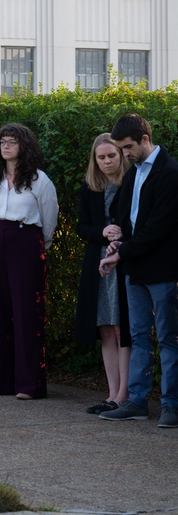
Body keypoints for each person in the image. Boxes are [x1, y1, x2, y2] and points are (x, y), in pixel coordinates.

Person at [98, 114, 178, 428]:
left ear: (145, 139)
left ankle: (171, 406)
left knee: (170, 338)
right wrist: (117, 242)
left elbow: (158, 228)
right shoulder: (132, 176)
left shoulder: (171, 174)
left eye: (128, 147)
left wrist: (123, 253)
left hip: (163, 270)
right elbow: (127, 220)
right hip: (135, 270)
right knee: (140, 337)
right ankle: (137, 402)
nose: (125, 154)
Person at [0, 123, 58, 400]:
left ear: (24, 146)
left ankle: (29, 384)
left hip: (26, 241)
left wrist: (36, 246)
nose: (6, 146)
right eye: (2, 141)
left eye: (12, 141)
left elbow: (49, 220)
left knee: (27, 311)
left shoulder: (39, 180)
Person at [74, 133, 131, 414]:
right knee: (106, 329)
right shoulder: (89, 187)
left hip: (125, 262)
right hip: (97, 263)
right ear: (94, 161)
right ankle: (111, 394)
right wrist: (101, 231)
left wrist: (121, 233)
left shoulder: (132, 182)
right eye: (101, 157)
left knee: (123, 329)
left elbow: (143, 223)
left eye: (112, 155)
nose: (107, 161)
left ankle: (124, 395)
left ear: (121, 156)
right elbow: (81, 226)